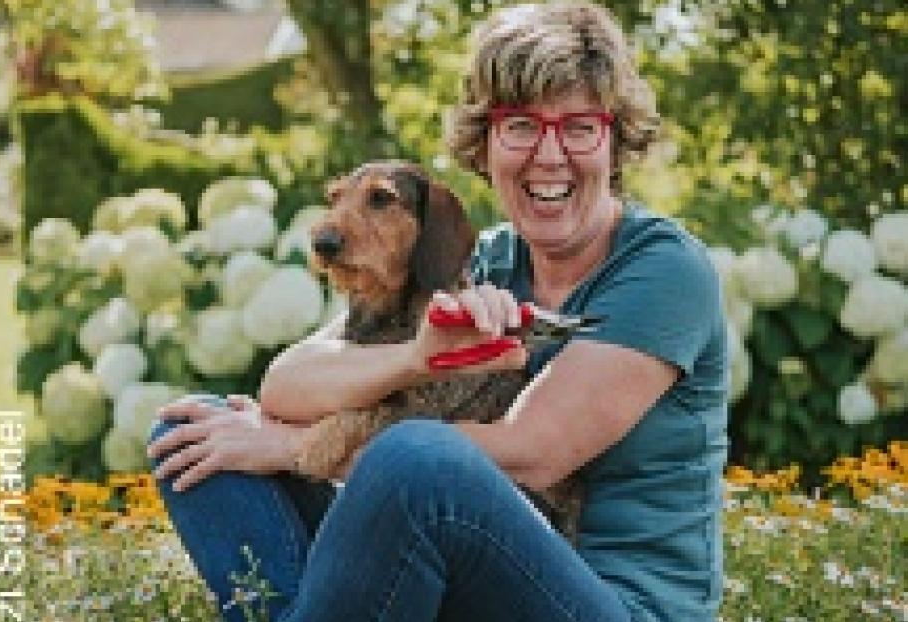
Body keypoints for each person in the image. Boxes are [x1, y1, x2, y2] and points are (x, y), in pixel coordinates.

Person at [146, 3, 728, 621]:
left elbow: (534, 451)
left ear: (615, 141)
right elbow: (287, 383)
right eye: (521, 126)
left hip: (617, 606)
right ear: (486, 143)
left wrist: (294, 450)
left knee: (416, 457)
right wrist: (414, 360)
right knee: (194, 435)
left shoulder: (664, 271)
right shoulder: (483, 263)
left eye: (579, 127)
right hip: (482, 590)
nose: (550, 155)